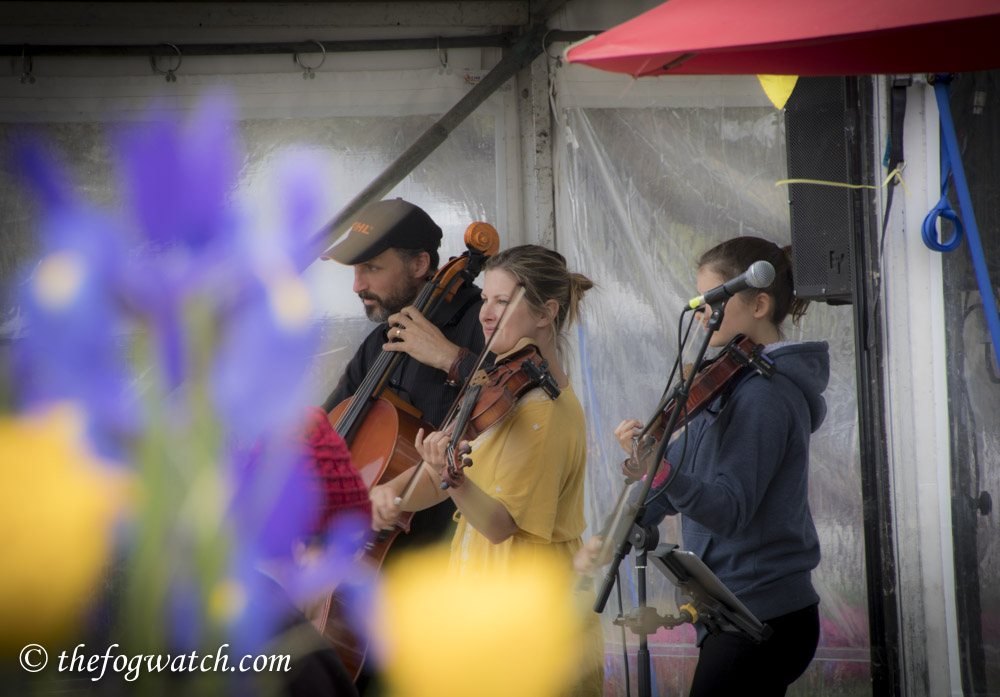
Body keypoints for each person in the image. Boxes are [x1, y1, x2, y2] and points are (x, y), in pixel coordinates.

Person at [576, 236, 827, 697]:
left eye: (712, 302)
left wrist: (662, 472)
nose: (700, 315)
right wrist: (617, 528)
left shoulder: (765, 397)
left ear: (760, 304)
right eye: (699, 302)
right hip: (733, 608)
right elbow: (671, 472)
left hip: (763, 614)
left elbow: (730, 510)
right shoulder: (729, 385)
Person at [369, 245, 605, 696]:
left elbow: (498, 524)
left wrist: (453, 479)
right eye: (486, 300)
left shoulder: (542, 409)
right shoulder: (504, 388)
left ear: (546, 313)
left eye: (503, 301)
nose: (486, 313)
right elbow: (443, 475)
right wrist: (393, 493)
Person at [321, 197, 486, 550]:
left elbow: (523, 397)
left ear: (420, 264)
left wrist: (451, 358)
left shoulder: (484, 321)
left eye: (372, 268)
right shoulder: (381, 340)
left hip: (464, 548)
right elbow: (324, 434)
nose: (357, 285)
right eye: (354, 270)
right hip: (390, 551)